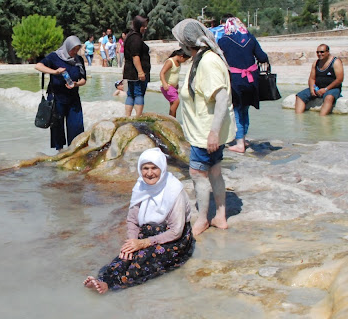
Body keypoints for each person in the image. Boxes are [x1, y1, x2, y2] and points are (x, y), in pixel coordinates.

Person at [84, 148, 194, 294]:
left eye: (154, 168)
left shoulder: (174, 191)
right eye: (145, 168)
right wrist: (132, 242)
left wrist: (143, 243)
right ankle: (103, 278)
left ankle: (110, 286)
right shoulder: (141, 186)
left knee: (144, 258)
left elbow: (176, 231)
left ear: (162, 167)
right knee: (125, 256)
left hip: (174, 240)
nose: (149, 173)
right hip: (149, 232)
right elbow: (132, 220)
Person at [172, 19, 236, 237]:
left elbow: (221, 98)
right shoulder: (203, 58)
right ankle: (220, 216)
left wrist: (214, 133)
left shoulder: (207, 62)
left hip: (206, 133)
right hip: (206, 131)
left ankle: (203, 219)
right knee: (215, 171)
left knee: (198, 174)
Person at [218, 17, 269, 153]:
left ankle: (240, 143)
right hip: (252, 80)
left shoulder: (224, 41)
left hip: (236, 80)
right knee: (245, 110)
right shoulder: (250, 38)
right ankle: (244, 139)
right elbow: (263, 57)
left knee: (236, 111)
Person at [34, 36, 87, 151]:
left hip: (73, 98)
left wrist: (76, 84)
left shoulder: (78, 60)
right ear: (67, 47)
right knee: (57, 126)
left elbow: (83, 79)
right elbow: (38, 66)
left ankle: (74, 150)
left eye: (77, 49)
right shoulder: (54, 57)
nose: (75, 52)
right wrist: (55, 72)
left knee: (76, 126)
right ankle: (60, 152)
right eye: (73, 49)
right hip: (56, 98)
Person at [294, 44, 344, 116]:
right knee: (300, 96)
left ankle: (322, 118)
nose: (319, 54)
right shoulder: (316, 63)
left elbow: (339, 79)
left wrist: (326, 89)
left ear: (328, 52)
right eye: (317, 52)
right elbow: (312, 78)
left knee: (328, 98)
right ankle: (298, 118)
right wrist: (312, 89)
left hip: (332, 88)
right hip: (317, 87)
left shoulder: (336, 62)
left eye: (322, 52)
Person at [123, 16, 151, 117]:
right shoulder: (136, 38)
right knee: (139, 93)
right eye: (144, 26)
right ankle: (138, 117)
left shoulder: (130, 36)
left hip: (130, 72)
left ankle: (128, 116)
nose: (145, 28)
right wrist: (141, 72)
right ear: (139, 25)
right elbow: (135, 56)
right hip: (136, 72)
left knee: (130, 93)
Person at [159, 49, 190, 118]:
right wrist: (164, 84)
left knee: (173, 104)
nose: (185, 61)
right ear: (181, 56)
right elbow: (162, 73)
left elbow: (174, 74)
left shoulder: (178, 62)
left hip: (173, 87)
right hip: (167, 86)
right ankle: (172, 119)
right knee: (176, 102)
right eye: (185, 60)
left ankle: (172, 119)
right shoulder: (170, 62)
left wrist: (176, 84)